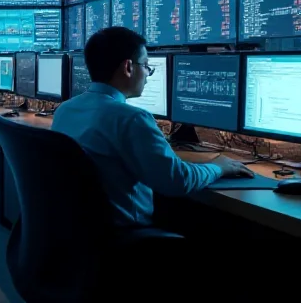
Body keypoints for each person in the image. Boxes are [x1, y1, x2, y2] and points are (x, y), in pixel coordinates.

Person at [51, 27, 253, 230]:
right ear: (128, 67)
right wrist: (218, 166)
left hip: (77, 232)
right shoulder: (132, 119)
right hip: (124, 236)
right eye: (146, 65)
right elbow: (178, 181)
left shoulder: (65, 110)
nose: (148, 74)